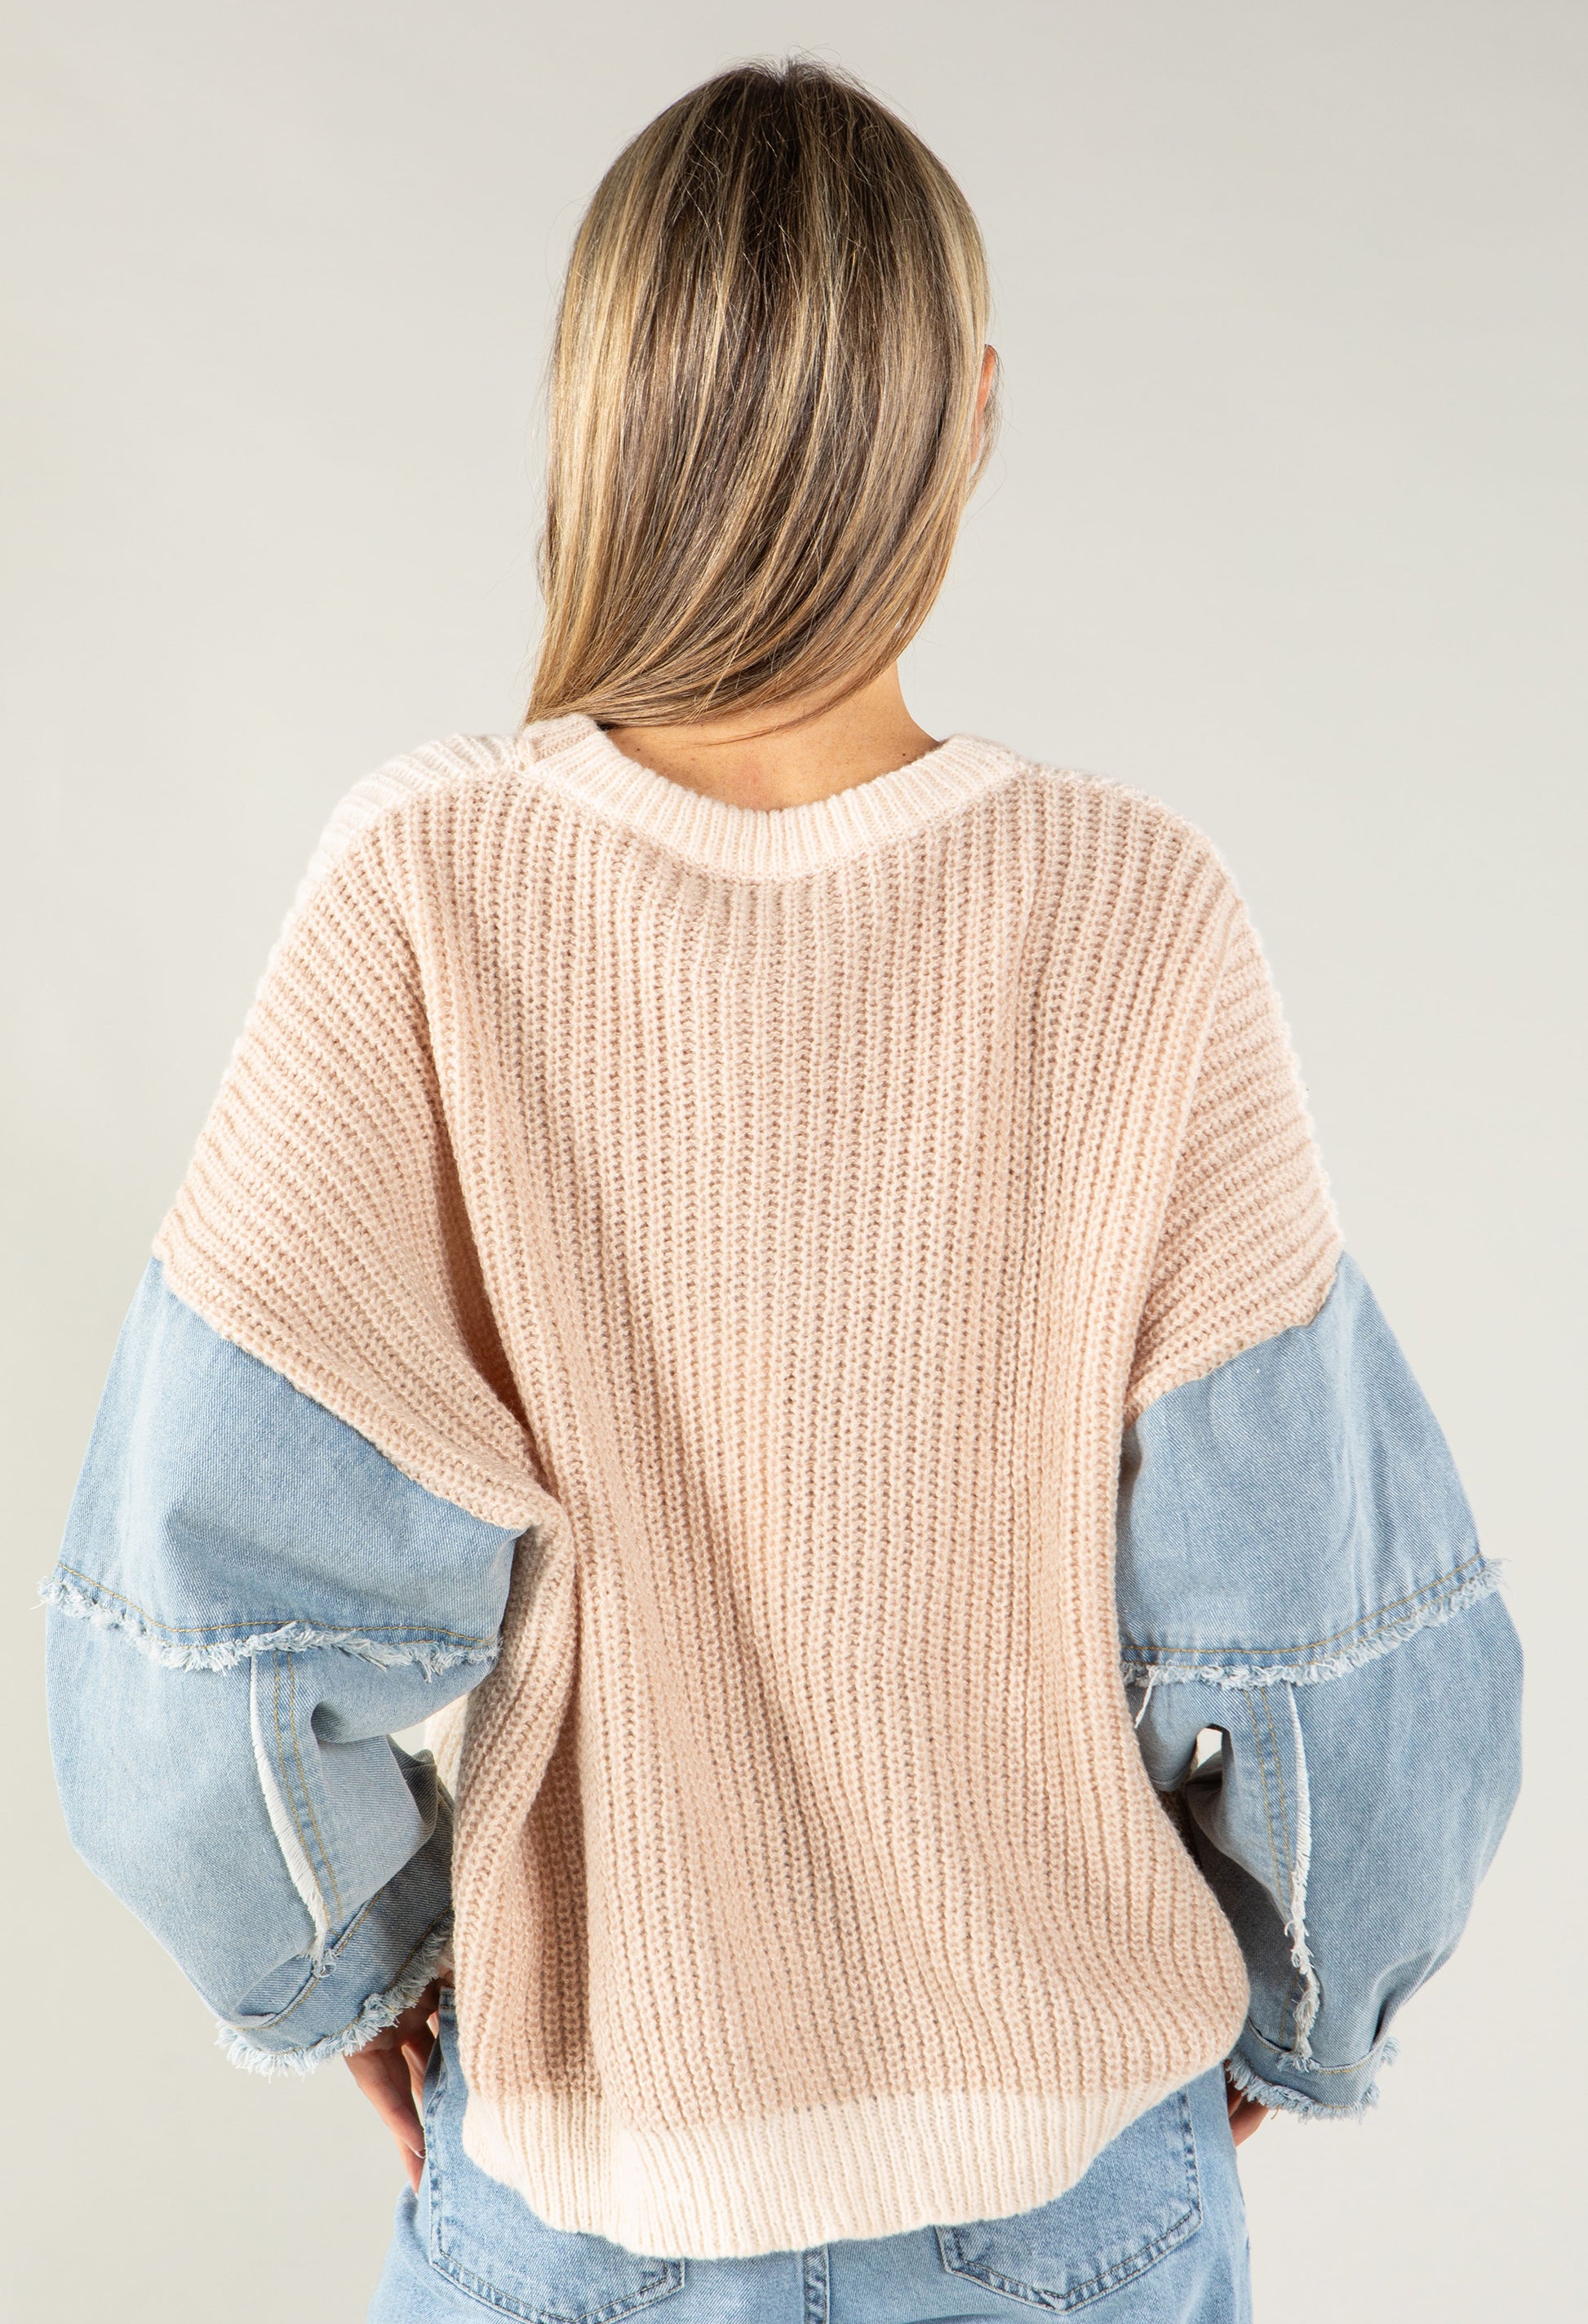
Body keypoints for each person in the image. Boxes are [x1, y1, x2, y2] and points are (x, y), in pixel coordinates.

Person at [44, 55, 1522, 2324]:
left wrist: (353, 1968)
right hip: (1072, 2197)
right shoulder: (1133, 915)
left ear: (593, 412)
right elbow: (1338, 1647)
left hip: (582, 2185)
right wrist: (1301, 2013)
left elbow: (194, 1664)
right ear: (973, 415)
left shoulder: (429, 888)